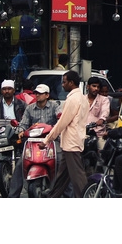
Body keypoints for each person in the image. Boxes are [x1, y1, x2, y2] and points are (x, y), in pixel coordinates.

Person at [6, 83, 61, 197]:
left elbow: (60, 120)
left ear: (47, 95)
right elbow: (24, 123)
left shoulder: (55, 106)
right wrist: (21, 131)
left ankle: (66, 194)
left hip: (51, 141)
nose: (37, 95)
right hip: (32, 142)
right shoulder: (29, 108)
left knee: (61, 162)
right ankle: (12, 196)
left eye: (40, 93)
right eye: (36, 93)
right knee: (20, 165)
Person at [43, 70, 88, 198]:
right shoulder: (82, 98)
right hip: (73, 140)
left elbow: (62, 122)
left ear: (71, 83)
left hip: (71, 142)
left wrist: (47, 140)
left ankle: (86, 197)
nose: (62, 85)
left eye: (64, 82)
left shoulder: (73, 99)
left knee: (78, 178)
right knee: (62, 177)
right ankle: (53, 197)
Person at [86, 76, 110, 150]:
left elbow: (105, 111)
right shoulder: (81, 99)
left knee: (102, 154)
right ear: (88, 87)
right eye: (94, 86)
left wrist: (102, 119)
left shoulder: (104, 100)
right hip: (83, 133)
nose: (96, 88)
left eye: (98, 87)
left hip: (98, 133)